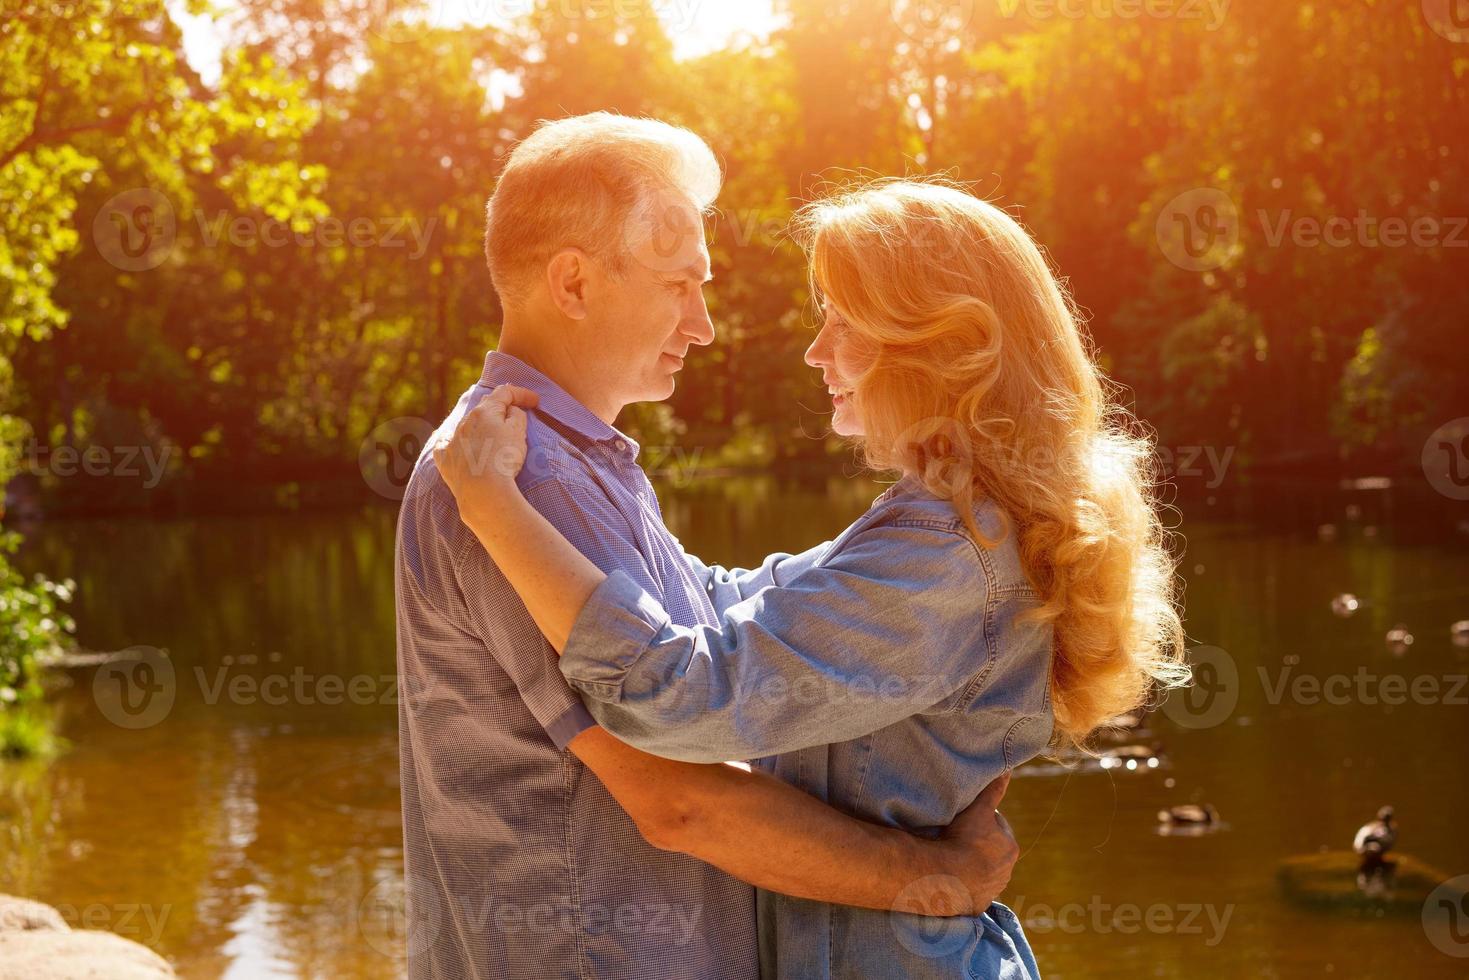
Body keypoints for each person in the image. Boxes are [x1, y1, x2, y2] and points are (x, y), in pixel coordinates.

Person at [433, 178, 1192, 978]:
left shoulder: (949, 554)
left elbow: (674, 694)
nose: (815, 351)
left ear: (934, 342)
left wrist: (493, 509)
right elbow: (737, 599)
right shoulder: (942, 521)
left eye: (842, 322)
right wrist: (606, 501)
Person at [395, 117, 1020, 980]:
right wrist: (938, 878)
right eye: (678, 286)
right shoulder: (530, 475)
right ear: (572, 283)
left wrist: (918, 553)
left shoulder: (573, 462)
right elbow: (680, 801)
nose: (704, 326)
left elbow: (720, 610)